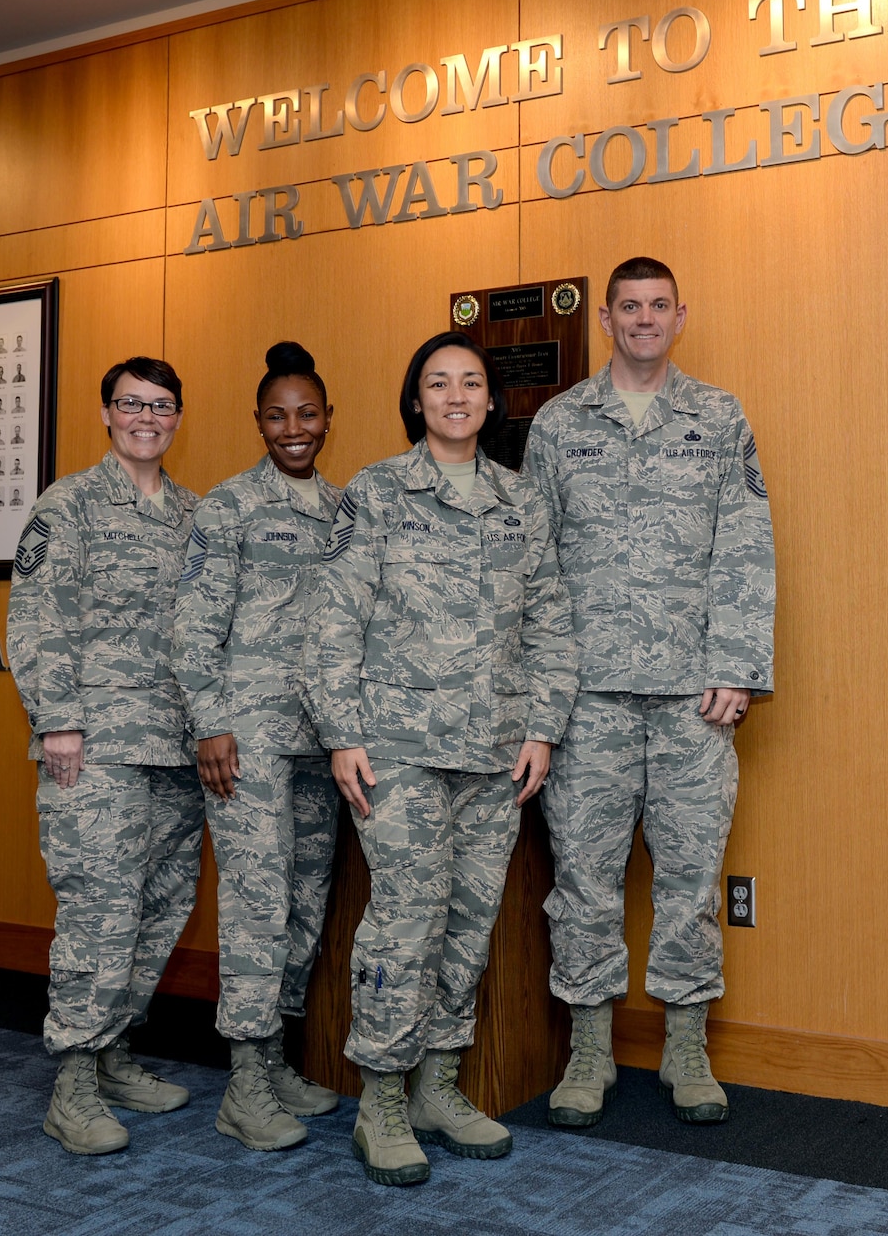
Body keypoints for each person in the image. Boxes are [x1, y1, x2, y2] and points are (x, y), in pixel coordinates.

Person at [305, 331, 576, 1187]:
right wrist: (343, 732)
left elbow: (552, 624)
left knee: (469, 917)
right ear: (415, 400)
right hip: (399, 749)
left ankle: (438, 1082)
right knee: (407, 913)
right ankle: (379, 1094)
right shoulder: (378, 493)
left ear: (492, 402)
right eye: (437, 383)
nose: (455, 396)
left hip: (495, 751)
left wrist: (542, 729)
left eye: (470, 383)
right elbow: (332, 620)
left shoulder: (522, 502)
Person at [521, 256, 776, 1129]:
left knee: (691, 877)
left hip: (690, 697)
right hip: (586, 697)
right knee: (584, 879)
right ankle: (589, 1049)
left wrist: (736, 666)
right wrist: (542, 694)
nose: (642, 318)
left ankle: (685, 1046)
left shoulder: (719, 417)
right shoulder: (558, 425)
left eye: (657, 305)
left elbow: (746, 546)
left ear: (680, 315)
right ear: (605, 317)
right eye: (627, 306)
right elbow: (535, 564)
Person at [6, 356, 200, 1156]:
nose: (145, 417)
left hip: (177, 750)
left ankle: (117, 1050)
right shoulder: (71, 504)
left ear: (178, 417)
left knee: (161, 907)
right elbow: (35, 616)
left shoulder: (193, 513)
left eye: (160, 405)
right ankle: (74, 1079)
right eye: (131, 404)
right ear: (107, 413)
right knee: (98, 908)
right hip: (96, 748)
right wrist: (58, 722)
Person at [170, 342, 346, 1152]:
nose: (294, 427)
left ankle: (275, 1058)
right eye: (277, 415)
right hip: (248, 744)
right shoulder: (228, 506)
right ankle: (243, 1080)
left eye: (307, 413)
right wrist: (209, 720)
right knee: (255, 904)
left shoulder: (346, 513)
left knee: (305, 903)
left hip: (322, 744)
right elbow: (195, 626)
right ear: (258, 423)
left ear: (328, 419)